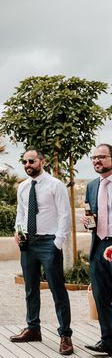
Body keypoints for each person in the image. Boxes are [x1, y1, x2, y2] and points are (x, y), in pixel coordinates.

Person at [10, 149, 73, 356]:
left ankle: (65, 335)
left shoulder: (56, 185)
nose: (28, 164)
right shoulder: (23, 186)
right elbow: (21, 213)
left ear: (42, 161)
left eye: (31, 161)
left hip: (49, 243)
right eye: (25, 161)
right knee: (30, 288)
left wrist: (57, 243)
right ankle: (33, 328)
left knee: (57, 289)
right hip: (27, 242)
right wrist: (18, 231)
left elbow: (65, 215)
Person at [81, 144, 112, 355]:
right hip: (98, 245)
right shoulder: (92, 186)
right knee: (101, 296)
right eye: (94, 158)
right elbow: (91, 213)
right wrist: (87, 221)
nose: (96, 161)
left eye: (101, 157)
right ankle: (108, 341)